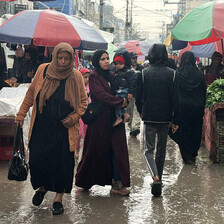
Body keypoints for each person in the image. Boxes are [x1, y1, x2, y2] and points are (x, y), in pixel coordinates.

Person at [15, 42, 88, 215]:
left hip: (64, 129)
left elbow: (83, 103)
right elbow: (31, 94)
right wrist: (21, 114)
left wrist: (72, 118)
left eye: (66, 59)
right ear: (54, 57)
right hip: (42, 125)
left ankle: (58, 199)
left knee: (62, 164)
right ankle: (42, 187)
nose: (63, 62)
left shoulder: (76, 76)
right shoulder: (43, 70)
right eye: (60, 58)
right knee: (38, 160)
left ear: (71, 59)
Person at [75, 50, 130, 196]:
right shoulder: (94, 76)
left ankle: (117, 184)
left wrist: (124, 102)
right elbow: (101, 95)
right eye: (102, 59)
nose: (106, 61)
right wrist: (120, 102)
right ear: (96, 62)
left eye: (107, 58)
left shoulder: (112, 75)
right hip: (99, 121)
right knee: (93, 151)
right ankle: (84, 181)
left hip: (114, 120)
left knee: (117, 151)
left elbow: (120, 91)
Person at [135, 44, 177, 197]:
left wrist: (141, 112)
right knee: (161, 150)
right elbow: (175, 99)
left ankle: (155, 176)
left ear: (151, 55)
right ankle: (159, 178)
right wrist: (175, 119)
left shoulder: (144, 73)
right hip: (165, 118)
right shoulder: (172, 74)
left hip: (149, 117)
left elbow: (138, 97)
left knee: (148, 150)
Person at [170, 51, 206, 164]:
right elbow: (203, 92)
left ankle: (186, 156)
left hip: (182, 108)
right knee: (195, 130)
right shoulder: (199, 74)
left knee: (183, 131)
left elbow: (174, 93)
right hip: (197, 107)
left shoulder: (178, 74)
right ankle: (193, 153)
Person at [113, 49, 137, 126]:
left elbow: (132, 83)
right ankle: (124, 114)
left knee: (117, 103)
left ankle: (119, 117)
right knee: (119, 104)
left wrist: (130, 92)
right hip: (119, 90)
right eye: (116, 64)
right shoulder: (116, 72)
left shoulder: (130, 72)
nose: (118, 65)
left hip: (124, 91)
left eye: (120, 63)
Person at [126, 52, 143, 137]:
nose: (134, 60)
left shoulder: (141, 68)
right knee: (130, 112)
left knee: (136, 111)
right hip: (129, 95)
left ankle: (136, 128)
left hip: (138, 94)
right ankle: (131, 128)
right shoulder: (127, 70)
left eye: (135, 58)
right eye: (133, 58)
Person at [76, 68, 91, 159]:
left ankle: (85, 152)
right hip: (80, 112)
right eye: (85, 77)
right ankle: (77, 149)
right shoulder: (77, 87)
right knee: (79, 133)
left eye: (88, 77)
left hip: (88, 112)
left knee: (87, 133)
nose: (87, 79)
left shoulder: (91, 86)